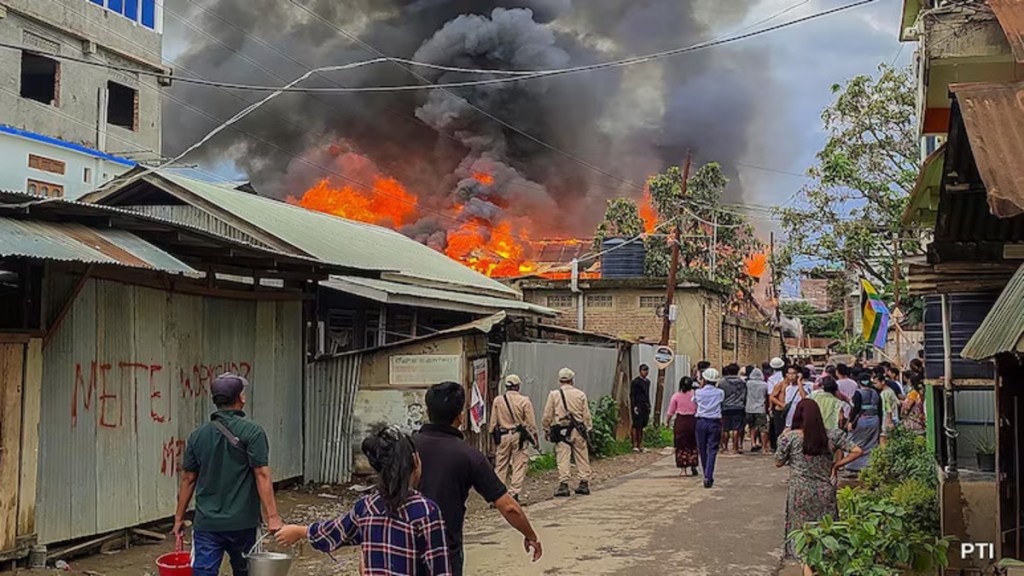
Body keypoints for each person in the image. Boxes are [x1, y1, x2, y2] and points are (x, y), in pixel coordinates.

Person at [275, 427, 452, 575]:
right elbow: (440, 569)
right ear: (415, 461)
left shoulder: (367, 507)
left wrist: (301, 531)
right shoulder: (426, 512)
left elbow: (337, 531)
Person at [416, 381, 542, 575]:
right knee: (517, 466)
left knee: (503, 465)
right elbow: (508, 507)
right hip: (444, 548)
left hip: (400, 546)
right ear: (460, 416)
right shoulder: (468, 455)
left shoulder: (406, 448)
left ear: (428, 411)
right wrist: (530, 535)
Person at [173, 373, 282, 576]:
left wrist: (179, 517)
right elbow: (261, 474)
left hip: (207, 523)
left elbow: (188, 479)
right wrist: (273, 517)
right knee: (247, 571)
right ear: (240, 398)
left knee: (203, 572)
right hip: (244, 523)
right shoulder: (253, 432)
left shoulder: (197, 436)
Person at [775, 400, 863, 565]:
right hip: (825, 490)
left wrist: (782, 436)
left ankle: (806, 566)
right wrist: (836, 465)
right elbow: (857, 451)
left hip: (800, 492)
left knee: (802, 535)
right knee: (826, 534)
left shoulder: (790, 437)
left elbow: (778, 462)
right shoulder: (832, 435)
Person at [542, 368, 595, 498]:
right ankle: (584, 483)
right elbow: (586, 415)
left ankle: (564, 484)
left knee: (563, 457)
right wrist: (588, 428)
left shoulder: (554, 394)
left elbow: (547, 414)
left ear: (560, 380)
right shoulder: (580, 394)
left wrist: (546, 428)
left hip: (561, 430)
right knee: (582, 456)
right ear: (572, 380)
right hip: (578, 429)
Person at [490, 374, 538, 503]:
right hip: (519, 436)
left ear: (506, 386)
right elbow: (531, 423)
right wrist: (534, 436)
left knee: (500, 465)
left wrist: (493, 435)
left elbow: (493, 422)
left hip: (503, 435)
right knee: (519, 464)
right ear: (518, 386)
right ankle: (515, 493)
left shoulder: (498, 400)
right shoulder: (524, 401)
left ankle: (497, 495)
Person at [694, 368, 725, 489]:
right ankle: (708, 475)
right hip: (714, 422)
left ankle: (706, 473)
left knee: (702, 449)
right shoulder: (720, 393)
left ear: (705, 380)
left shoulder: (698, 392)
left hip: (701, 422)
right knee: (712, 449)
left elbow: (694, 402)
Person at [846, 371, 882, 472]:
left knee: (857, 442)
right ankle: (869, 464)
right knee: (872, 443)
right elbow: (880, 410)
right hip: (875, 420)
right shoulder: (876, 393)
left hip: (861, 420)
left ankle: (854, 465)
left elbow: (856, 409)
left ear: (859, 382)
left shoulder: (858, 393)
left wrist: (851, 422)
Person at [666, 376, 699, 476]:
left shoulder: (676, 396)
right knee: (693, 444)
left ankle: (683, 470)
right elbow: (699, 408)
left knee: (681, 445)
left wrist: (667, 422)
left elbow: (670, 412)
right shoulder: (695, 396)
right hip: (693, 421)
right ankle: (693, 465)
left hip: (681, 421)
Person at [719, 364, 748, 454]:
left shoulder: (722, 382)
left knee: (726, 428)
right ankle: (735, 447)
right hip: (739, 407)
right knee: (736, 428)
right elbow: (745, 394)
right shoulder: (742, 382)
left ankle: (725, 447)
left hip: (726, 407)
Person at [744, 368, 770, 453]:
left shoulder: (748, 384)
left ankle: (753, 443)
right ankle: (764, 447)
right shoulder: (764, 385)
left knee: (752, 427)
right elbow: (767, 396)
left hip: (749, 408)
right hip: (760, 408)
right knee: (763, 428)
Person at [630, 364, 652, 452]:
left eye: (646, 370)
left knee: (642, 425)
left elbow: (647, 394)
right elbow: (632, 395)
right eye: (643, 370)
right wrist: (634, 406)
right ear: (640, 371)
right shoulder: (636, 382)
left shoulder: (647, 382)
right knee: (636, 425)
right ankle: (634, 444)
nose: (645, 372)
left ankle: (640, 444)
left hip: (644, 405)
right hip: (637, 405)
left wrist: (649, 405)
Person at [874, 368, 900, 445]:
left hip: (887, 420)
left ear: (882, 382)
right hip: (894, 418)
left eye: (876, 383)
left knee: (883, 440)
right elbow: (898, 403)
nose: (875, 385)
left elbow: (888, 409)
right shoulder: (890, 390)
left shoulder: (885, 393)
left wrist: (889, 421)